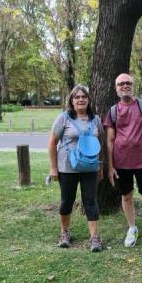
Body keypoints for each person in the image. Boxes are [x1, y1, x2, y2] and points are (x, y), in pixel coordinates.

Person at [104, 73, 142, 250]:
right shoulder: (113, 111)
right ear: (116, 89)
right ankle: (132, 228)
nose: (124, 86)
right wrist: (111, 165)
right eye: (120, 84)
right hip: (121, 163)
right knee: (126, 196)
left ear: (133, 85)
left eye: (127, 83)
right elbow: (110, 140)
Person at [48, 84, 103, 252]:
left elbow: (99, 143)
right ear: (71, 100)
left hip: (90, 169)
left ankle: (94, 237)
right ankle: (64, 233)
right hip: (67, 168)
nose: (81, 99)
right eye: (77, 97)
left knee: (91, 202)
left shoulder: (96, 119)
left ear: (88, 100)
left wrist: (100, 166)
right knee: (67, 201)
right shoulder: (63, 118)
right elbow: (52, 143)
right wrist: (53, 168)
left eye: (84, 97)